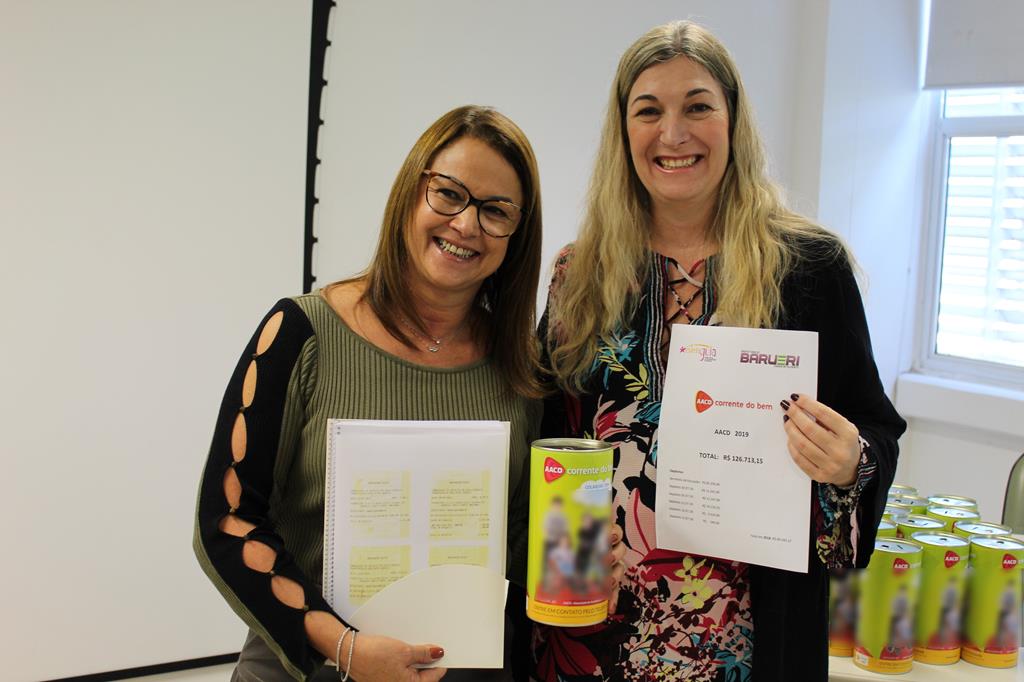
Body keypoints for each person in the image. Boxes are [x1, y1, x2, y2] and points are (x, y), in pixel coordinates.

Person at [531, 21, 906, 682]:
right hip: (595, 633)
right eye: (649, 111)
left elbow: (874, 428)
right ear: (623, 131)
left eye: (698, 106)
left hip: (751, 643)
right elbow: (548, 439)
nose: (673, 133)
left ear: (734, 121)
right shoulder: (580, 274)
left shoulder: (809, 270)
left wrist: (853, 460)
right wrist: (566, 549)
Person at [193, 105, 544, 682]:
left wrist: (576, 557)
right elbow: (227, 519)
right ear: (411, 192)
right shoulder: (299, 333)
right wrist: (345, 647)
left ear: (517, 234)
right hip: (309, 668)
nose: (466, 224)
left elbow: (522, 535)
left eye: (496, 210)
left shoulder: (523, 368)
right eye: (449, 193)